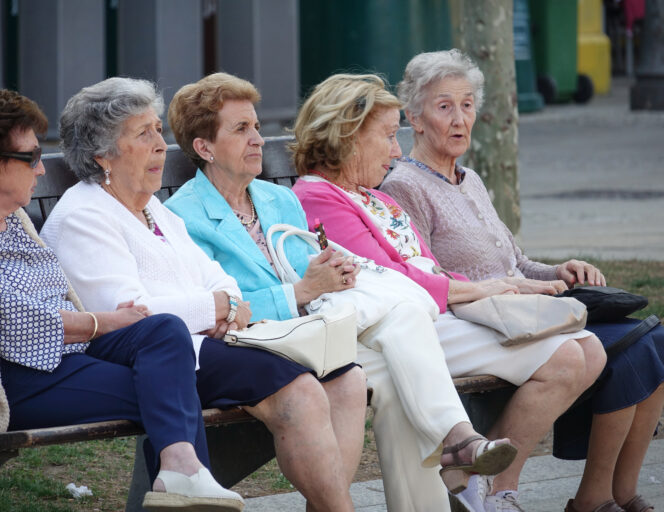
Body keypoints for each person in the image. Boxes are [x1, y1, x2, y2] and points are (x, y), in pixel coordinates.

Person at [164, 72, 518, 512]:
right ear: (204, 147)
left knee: (395, 375)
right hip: (257, 344)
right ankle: (456, 441)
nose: (257, 139)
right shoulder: (184, 217)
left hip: (315, 332)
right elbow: (218, 307)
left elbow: (308, 271)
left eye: (256, 125)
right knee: (402, 339)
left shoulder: (277, 199)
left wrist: (332, 272)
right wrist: (300, 291)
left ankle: (447, 454)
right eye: (241, 129)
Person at [0, 87, 244, 511]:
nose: (42, 168)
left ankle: (181, 473)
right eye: (31, 157)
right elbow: (5, 325)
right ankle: (184, 475)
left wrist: (112, 323)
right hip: (11, 379)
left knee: (164, 331)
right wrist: (102, 322)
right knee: (172, 389)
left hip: (67, 358)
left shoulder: (12, 216)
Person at [39, 77, 368, 512]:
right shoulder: (84, 215)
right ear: (103, 154)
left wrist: (224, 306)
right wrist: (213, 308)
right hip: (162, 360)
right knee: (302, 391)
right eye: (144, 134)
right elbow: (131, 316)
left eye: (159, 130)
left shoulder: (150, 207)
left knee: (345, 378)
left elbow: (219, 281)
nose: (161, 145)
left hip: (205, 344)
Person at [290, 72, 609, 512]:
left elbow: (429, 269)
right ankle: (474, 472)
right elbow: (389, 279)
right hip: (398, 326)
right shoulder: (319, 197)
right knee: (570, 354)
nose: (397, 151)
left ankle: (472, 475)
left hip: (430, 319)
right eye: (388, 136)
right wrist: (483, 288)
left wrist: (502, 287)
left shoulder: (375, 197)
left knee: (585, 349)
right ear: (348, 137)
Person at [380, 49, 664, 512]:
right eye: (444, 106)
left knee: (652, 340)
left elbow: (515, 261)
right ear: (414, 117)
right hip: (482, 320)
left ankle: (611, 493)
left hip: (527, 312)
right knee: (615, 349)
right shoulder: (405, 186)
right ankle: (501, 486)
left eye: (467, 105)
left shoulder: (470, 179)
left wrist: (557, 272)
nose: (459, 119)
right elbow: (426, 276)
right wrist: (517, 288)